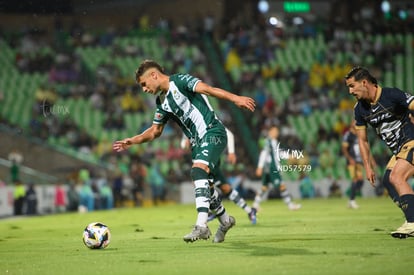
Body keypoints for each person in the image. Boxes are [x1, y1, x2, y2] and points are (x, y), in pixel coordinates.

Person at [113, 60, 255, 243]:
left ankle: (201, 226)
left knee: (197, 171)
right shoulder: (161, 101)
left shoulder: (180, 81)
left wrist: (236, 98)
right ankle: (226, 221)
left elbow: (208, 89)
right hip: (197, 143)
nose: (144, 89)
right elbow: (155, 131)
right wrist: (132, 140)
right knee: (208, 189)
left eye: (144, 84)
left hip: (213, 132)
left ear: (154, 75)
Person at [345, 66, 414, 238]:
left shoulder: (391, 95)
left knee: (397, 177)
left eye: (352, 86)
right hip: (399, 148)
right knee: (388, 181)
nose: (350, 91)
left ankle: (413, 222)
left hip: (411, 140)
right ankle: (411, 217)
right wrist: (367, 167)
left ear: (364, 83)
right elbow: (363, 140)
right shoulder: (359, 109)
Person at [182, 128, 258, 224]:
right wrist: (185, 144)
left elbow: (229, 134)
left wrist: (231, 152)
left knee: (205, 186)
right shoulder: (186, 125)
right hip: (197, 162)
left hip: (209, 161)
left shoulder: (206, 120)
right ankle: (249, 211)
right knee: (224, 188)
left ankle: (209, 216)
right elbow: (183, 145)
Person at [253, 126, 301, 211]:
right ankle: (290, 205)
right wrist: (259, 167)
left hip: (268, 167)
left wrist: (288, 156)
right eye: (275, 131)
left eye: (277, 131)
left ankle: (255, 204)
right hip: (272, 167)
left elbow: (277, 153)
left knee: (264, 187)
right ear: (270, 132)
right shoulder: (269, 141)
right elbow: (264, 153)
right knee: (281, 185)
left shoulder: (273, 142)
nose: (276, 133)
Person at [341, 120, 366, 209]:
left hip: (359, 161)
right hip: (352, 161)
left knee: (360, 180)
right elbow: (344, 149)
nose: (355, 124)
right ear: (351, 124)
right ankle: (352, 200)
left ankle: (351, 197)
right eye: (354, 123)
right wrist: (350, 159)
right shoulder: (348, 135)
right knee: (356, 179)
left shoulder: (358, 134)